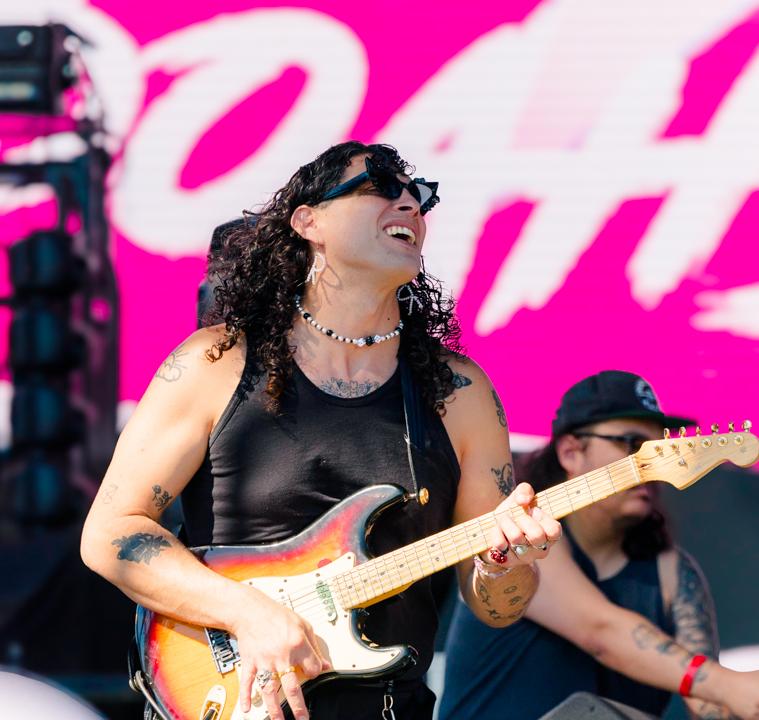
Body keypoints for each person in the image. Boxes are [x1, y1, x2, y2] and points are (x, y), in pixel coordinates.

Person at [80, 141, 562, 720]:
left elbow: (497, 609)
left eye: (417, 196)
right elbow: (109, 533)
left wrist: (505, 565)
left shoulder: (461, 392)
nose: (410, 203)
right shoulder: (216, 363)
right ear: (308, 222)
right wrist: (245, 613)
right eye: (379, 188)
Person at [439, 371, 759, 720]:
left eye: (660, 447)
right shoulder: (523, 535)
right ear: (570, 453)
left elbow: (710, 705)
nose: (653, 463)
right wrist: (728, 685)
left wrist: (755, 701)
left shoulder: (674, 572)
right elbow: (600, 631)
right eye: (632, 444)